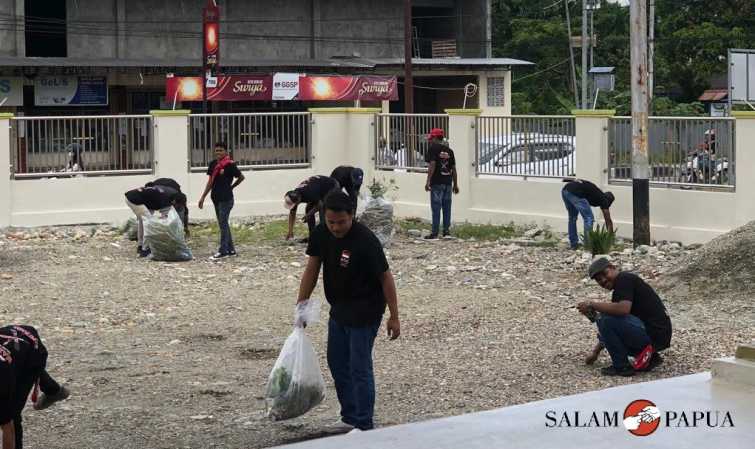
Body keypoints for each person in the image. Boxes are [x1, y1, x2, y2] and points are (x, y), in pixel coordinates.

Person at [296, 191, 400, 433]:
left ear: (352, 215)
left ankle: (364, 423)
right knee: (337, 362)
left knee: (359, 366)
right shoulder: (321, 233)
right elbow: (312, 269)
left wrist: (394, 316)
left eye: (341, 222)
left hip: (366, 309)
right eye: (331, 222)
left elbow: (386, 278)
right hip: (340, 307)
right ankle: (349, 415)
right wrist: (301, 305)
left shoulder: (365, 240)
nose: (336, 227)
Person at [578, 258, 672, 377]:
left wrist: (592, 304)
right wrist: (595, 353)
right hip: (657, 336)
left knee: (604, 318)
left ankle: (622, 367)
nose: (603, 280)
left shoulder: (624, 279)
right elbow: (611, 326)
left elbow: (622, 310)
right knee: (605, 317)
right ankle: (651, 357)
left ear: (613, 268)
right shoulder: (621, 288)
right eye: (598, 279)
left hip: (655, 335)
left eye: (604, 274)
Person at [1, 325, 70, 449]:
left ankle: (53, 389)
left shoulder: (3, 385)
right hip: (16, 342)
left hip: (33, 349)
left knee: (13, 413)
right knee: (20, 362)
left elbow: (7, 426)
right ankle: (53, 389)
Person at [198, 142, 245, 260]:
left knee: (223, 224)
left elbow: (241, 177)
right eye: (216, 150)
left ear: (226, 151)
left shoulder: (230, 164)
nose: (218, 152)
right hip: (216, 197)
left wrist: (232, 186)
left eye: (220, 150)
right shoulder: (213, 164)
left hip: (226, 199)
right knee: (223, 224)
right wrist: (203, 197)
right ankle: (231, 250)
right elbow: (210, 182)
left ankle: (223, 251)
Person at [125, 183, 181, 257]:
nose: (176, 206)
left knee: (143, 221)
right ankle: (145, 249)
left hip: (134, 198)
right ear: (174, 201)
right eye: (177, 204)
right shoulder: (165, 200)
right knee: (148, 222)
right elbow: (166, 220)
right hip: (134, 199)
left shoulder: (165, 195)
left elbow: (154, 206)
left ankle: (140, 246)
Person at [424, 128, 458, 239]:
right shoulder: (450, 151)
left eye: (431, 138)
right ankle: (446, 231)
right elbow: (453, 169)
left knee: (436, 207)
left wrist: (428, 181)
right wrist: (455, 184)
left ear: (434, 138)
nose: (430, 140)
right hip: (448, 183)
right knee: (447, 207)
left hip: (437, 183)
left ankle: (434, 232)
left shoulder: (433, 148)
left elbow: (432, 164)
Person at [561, 178, 615, 249]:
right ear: (609, 201)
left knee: (572, 218)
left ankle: (574, 244)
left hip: (565, 191)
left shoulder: (596, 192)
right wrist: (610, 238)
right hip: (575, 193)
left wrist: (566, 179)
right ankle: (588, 245)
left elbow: (578, 180)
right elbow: (608, 220)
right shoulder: (604, 200)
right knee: (589, 218)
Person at [284, 175, 340, 242]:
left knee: (323, 211)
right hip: (319, 189)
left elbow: (320, 205)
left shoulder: (309, 193)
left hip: (332, 186)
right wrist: (290, 231)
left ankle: (325, 237)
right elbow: (292, 213)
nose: (294, 206)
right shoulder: (295, 196)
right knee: (308, 209)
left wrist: (309, 215)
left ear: (298, 200)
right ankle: (313, 236)